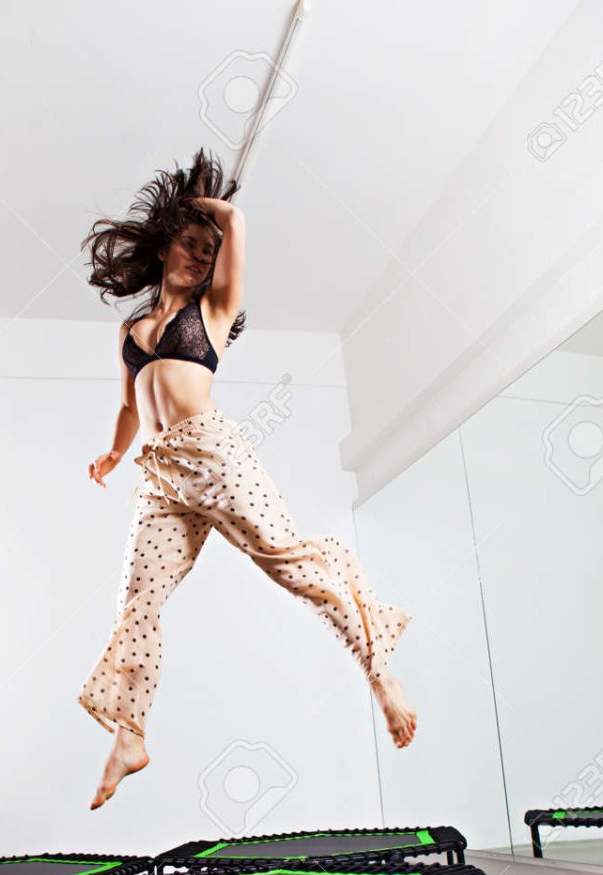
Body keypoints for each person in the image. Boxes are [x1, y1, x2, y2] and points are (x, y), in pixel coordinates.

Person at [79, 149, 416, 810]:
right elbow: (128, 404)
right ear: (165, 247)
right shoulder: (131, 329)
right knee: (136, 603)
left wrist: (215, 212)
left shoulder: (212, 313)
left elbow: (230, 227)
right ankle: (130, 733)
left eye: (210, 250)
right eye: (190, 243)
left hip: (213, 455)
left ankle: (382, 677)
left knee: (290, 564)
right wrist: (115, 455)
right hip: (160, 479)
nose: (200, 256)